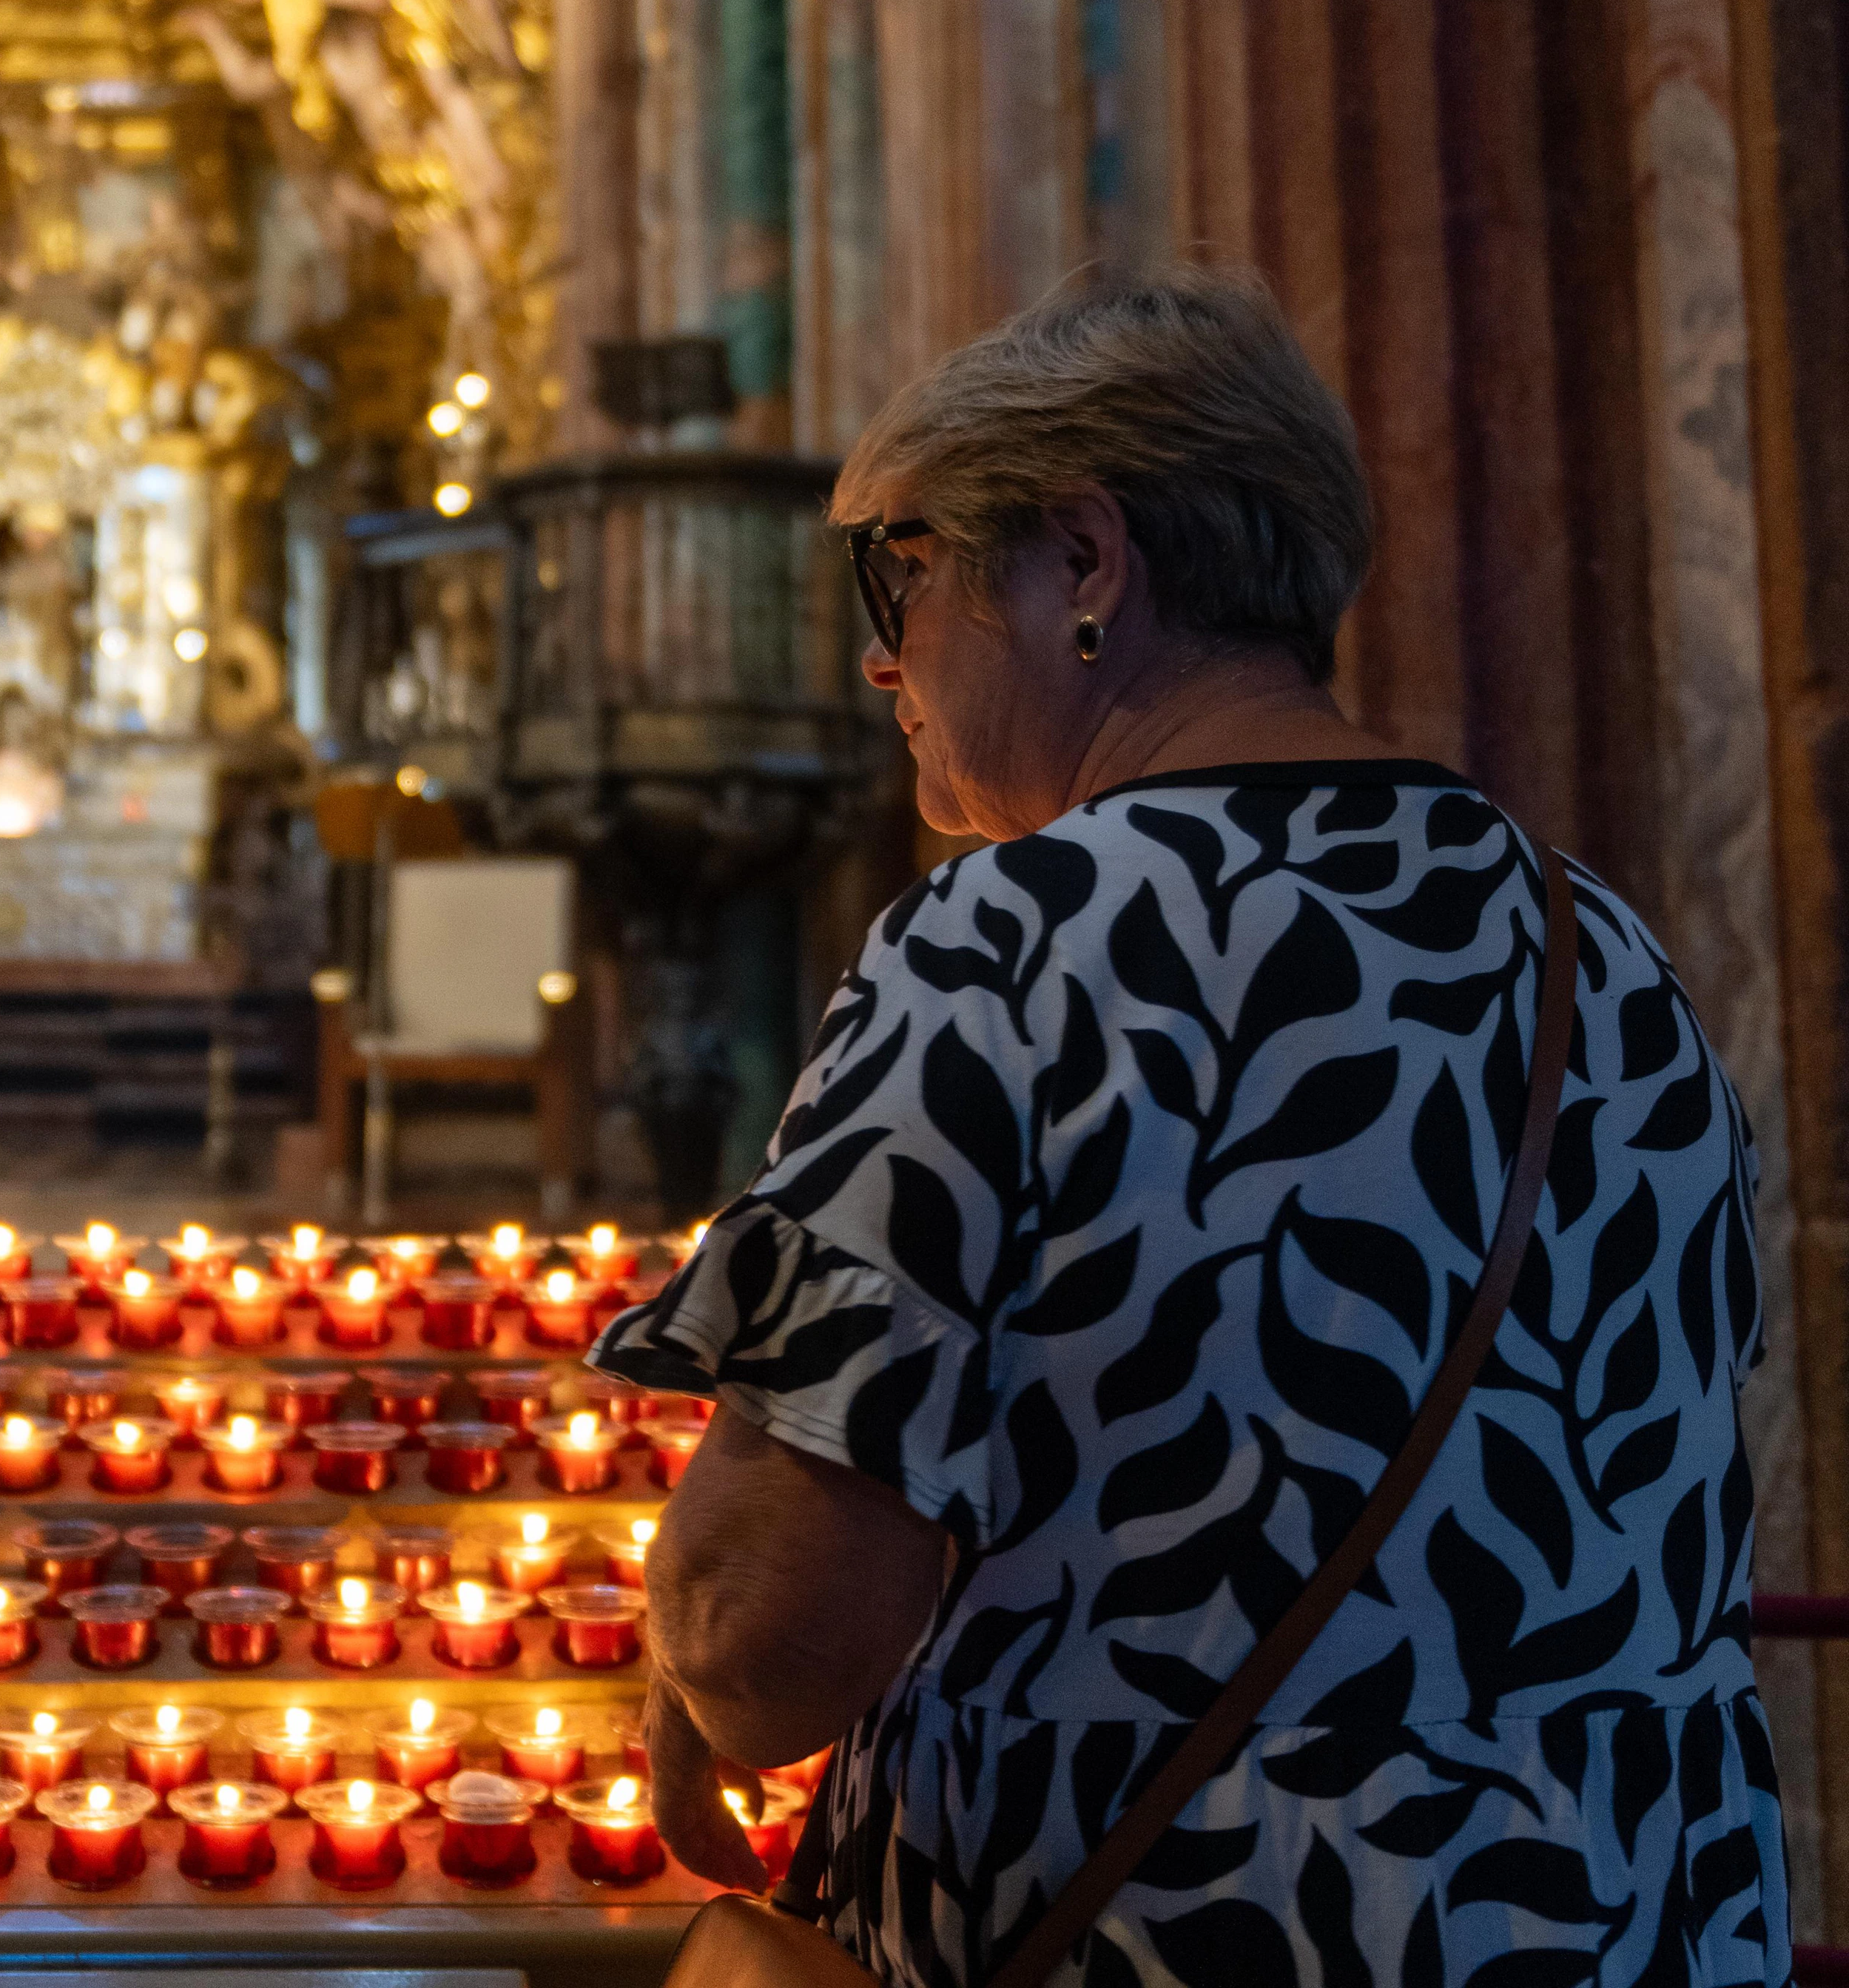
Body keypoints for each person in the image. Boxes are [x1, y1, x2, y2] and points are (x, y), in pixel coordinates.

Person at [597, 266, 1786, 1985]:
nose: (878, 654)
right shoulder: (1612, 955)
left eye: (902, 570)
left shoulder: (1009, 945)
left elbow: (770, 1643)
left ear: (1083, 564)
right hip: (1624, 1932)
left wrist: (692, 1635)